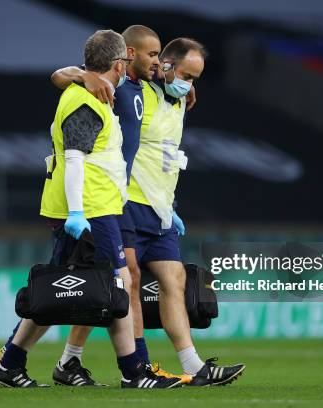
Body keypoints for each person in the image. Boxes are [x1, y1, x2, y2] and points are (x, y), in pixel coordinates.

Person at [0, 25, 188, 385]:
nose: (154, 61)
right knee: (108, 286)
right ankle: (133, 371)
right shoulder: (87, 98)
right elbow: (78, 160)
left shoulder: (113, 90)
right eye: (147, 54)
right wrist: (79, 212)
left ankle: (14, 361)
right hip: (91, 209)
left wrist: (162, 202)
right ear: (121, 60)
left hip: (105, 204)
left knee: (67, 290)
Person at [125, 37, 245, 386]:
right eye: (186, 75)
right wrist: (76, 74)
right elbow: (90, 70)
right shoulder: (134, 93)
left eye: (195, 79)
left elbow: (164, 159)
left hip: (160, 211)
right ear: (165, 63)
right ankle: (70, 360)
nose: (189, 84)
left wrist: (171, 206)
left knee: (173, 279)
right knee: (115, 288)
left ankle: (193, 367)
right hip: (128, 204)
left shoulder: (178, 103)